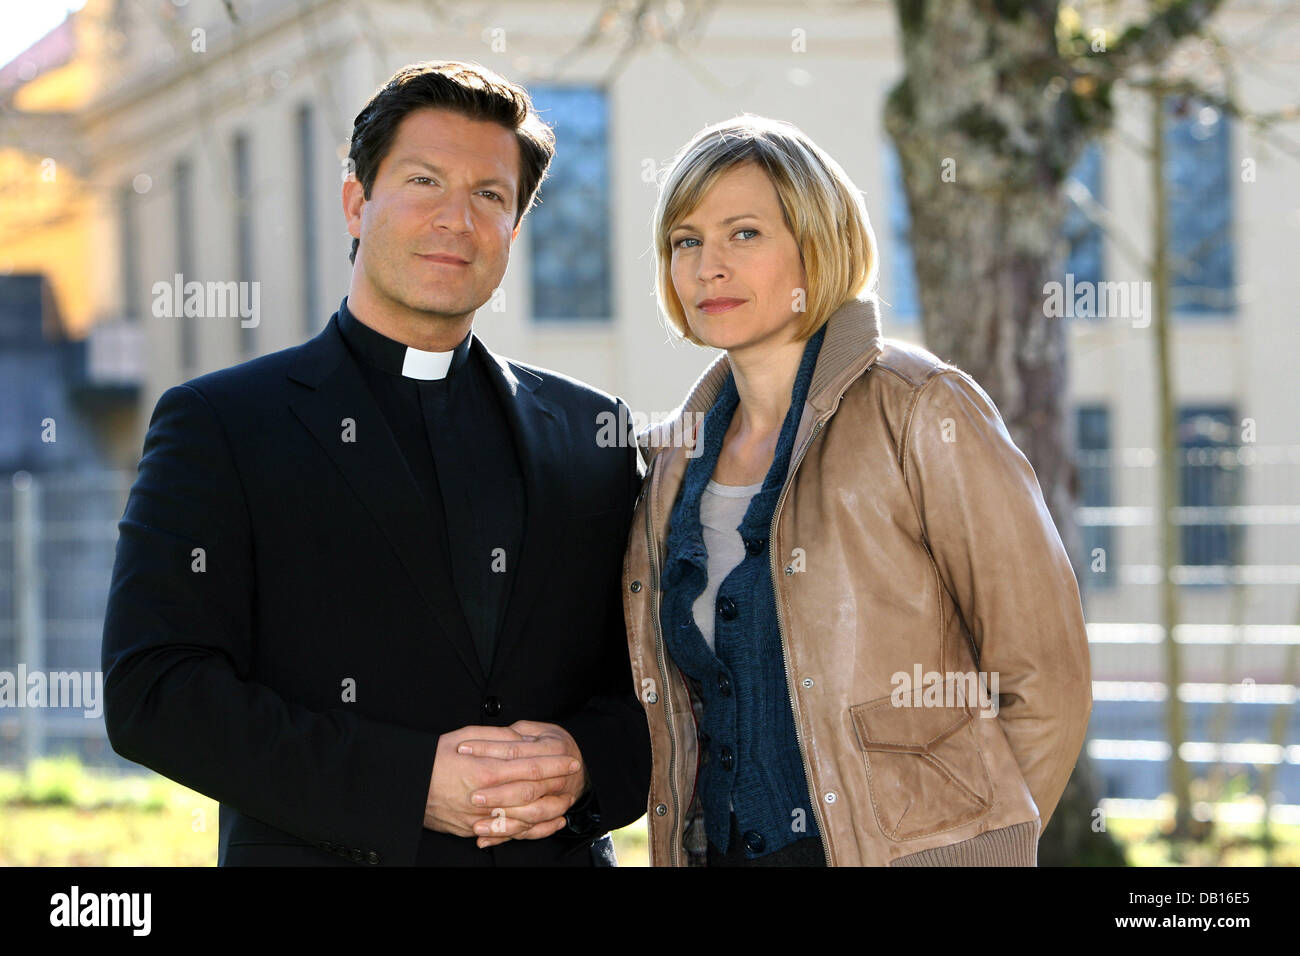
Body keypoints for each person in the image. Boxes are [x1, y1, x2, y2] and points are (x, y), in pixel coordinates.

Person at [101, 60, 650, 866]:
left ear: (515, 230)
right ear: (357, 201)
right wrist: (407, 781)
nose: (456, 220)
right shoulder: (222, 423)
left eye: (490, 196)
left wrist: (585, 766)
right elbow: (154, 692)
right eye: (425, 181)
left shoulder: (593, 430)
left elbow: (655, 684)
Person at [623, 114, 1092, 866]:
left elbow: (1047, 679)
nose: (708, 265)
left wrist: (975, 855)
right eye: (686, 241)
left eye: (744, 234)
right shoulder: (673, 465)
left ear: (818, 246)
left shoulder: (920, 407)